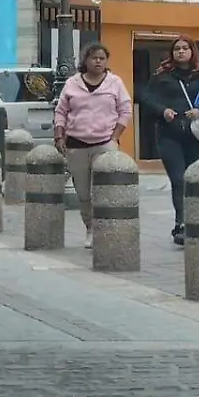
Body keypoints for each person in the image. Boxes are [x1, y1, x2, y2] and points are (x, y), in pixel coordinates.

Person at [137, 35, 199, 246]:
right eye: (177, 49)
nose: (181, 52)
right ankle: (181, 223)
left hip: (194, 134)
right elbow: (146, 98)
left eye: (185, 48)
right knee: (178, 179)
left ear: (192, 51)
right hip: (169, 134)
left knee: (192, 178)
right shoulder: (162, 75)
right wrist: (162, 110)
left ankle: (194, 221)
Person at [53, 42, 133, 249]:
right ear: (85, 61)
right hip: (76, 144)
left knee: (104, 188)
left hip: (105, 142)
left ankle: (106, 228)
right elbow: (61, 112)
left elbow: (125, 110)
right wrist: (59, 136)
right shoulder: (72, 83)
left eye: (102, 58)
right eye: (94, 58)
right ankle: (89, 227)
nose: (98, 61)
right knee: (83, 192)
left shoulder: (115, 83)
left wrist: (115, 136)